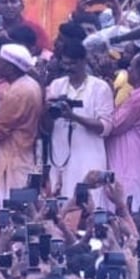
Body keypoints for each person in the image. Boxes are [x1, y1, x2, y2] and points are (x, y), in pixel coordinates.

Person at [44, 41, 113, 199]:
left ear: (83, 61)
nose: (68, 68)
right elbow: (46, 128)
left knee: (89, 205)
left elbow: (105, 127)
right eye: (65, 64)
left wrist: (73, 117)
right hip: (59, 157)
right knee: (59, 205)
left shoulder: (100, 88)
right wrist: (46, 111)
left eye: (73, 64)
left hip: (88, 158)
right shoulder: (56, 85)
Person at [0, 44, 43, 211]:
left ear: (10, 67)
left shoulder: (18, 91)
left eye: (0, 60)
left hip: (11, 161)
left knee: (7, 214)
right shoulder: (30, 84)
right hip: (20, 157)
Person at [105, 51, 140, 207]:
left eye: (131, 67)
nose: (128, 70)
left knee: (128, 212)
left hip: (132, 169)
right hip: (132, 167)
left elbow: (113, 125)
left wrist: (107, 97)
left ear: (139, 72)